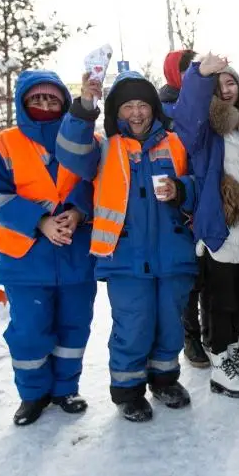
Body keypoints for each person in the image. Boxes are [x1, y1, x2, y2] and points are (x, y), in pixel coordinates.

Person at [57, 70, 198, 422]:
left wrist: (182, 189)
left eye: (143, 105)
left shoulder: (177, 142)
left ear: (153, 107)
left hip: (172, 255)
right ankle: (128, 390)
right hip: (124, 258)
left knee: (169, 323)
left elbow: (200, 182)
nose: (136, 113)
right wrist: (86, 105)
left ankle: (165, 379)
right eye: (127, 106)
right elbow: (70, 153)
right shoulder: (104, 147)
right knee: (133, 325)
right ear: (117, 112)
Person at [0, 70, 96, 426]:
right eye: (37, 98)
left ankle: (65, 389)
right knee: (29, 331)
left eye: (52, 98)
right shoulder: (2, 144)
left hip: (76, 255)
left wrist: (77, 211)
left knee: (74, 327)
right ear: (23, 103)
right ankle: (33, 394)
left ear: (63, 102)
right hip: (25, 259)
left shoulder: (84, 138)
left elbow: (98, 181)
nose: (45, 104)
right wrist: (39, 220)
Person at [172, 54, 239, 398]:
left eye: (231, 82)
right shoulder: (205, 131)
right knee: (221, 299)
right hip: (222, 225)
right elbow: (186, 113)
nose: (226, 89)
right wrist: (199, 74)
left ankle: (232, 353)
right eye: (219, 84)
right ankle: (219, 361)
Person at [158, 48, 210, 368]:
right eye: (188, 68)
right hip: (179, 198)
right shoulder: (164, 109)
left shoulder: (205, 99)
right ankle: (190, 337)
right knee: (189, 274)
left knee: (210, 271)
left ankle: (211, 333)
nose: (194, 72)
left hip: (207, 190)